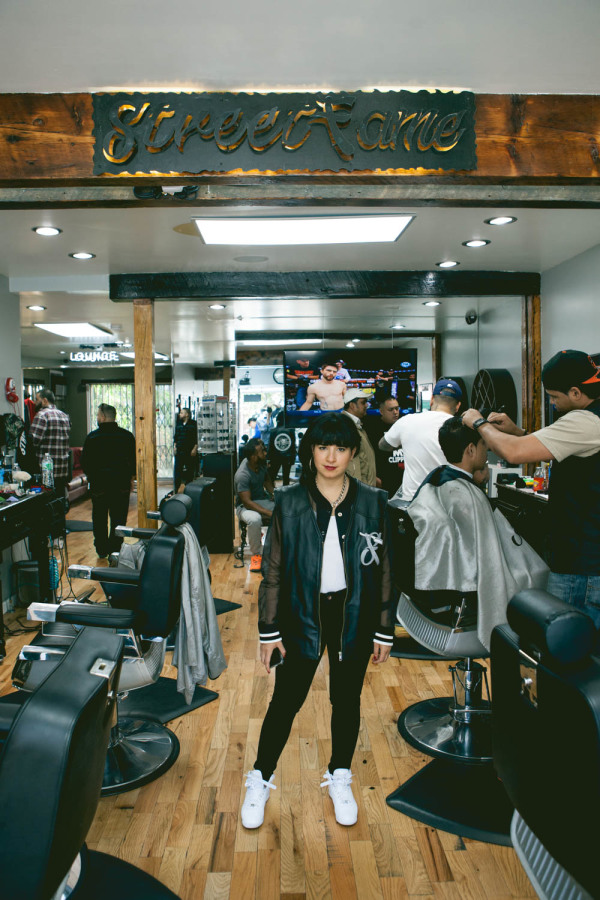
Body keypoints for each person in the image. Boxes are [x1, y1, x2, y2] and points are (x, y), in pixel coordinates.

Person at [240, 412, 393, 829]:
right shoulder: (288, 501)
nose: (331, 456)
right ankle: (259, 777)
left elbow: (384, 570)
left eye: (340, 448)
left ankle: (340, 774)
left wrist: (384, 628)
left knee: (346, 700)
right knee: (286, 701)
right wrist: (268, 632)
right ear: (310, 450)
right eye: (323, 447)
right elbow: (272, 570)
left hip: (354, 613)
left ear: (352, 453)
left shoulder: (373, 502)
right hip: (300, 614)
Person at [462, 349, 600, 627]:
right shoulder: (590, 417)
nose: (552, 402)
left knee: (569, 650)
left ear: (575, 392)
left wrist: (478, 423)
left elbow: (513, 454)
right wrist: (518, 432)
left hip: (582, 565)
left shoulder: (586, 420)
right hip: (585, 558)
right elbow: (557, 446)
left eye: (553, 396)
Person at [404, 415, 547, 649]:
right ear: (471, 449)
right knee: (539, 574)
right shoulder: (466, 496)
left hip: (446, 585)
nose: (487, 451)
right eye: (484, 446)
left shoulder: (441, 477)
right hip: (472, 588)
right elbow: (490, 561)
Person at [378, 377, 463, 502]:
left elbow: (383, 445)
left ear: (432, 399)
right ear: (458, 406)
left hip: (414, 501)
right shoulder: (463, 428)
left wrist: (407, 443)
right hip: (449, 501)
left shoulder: (407, 421)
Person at [81, 403, 136, 559]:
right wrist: (131, 478)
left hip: (99, 485)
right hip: (121, 484)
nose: (97, 417)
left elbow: (85, 463)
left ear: (103, 417)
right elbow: (133, 461)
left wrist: (92, 476)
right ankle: (115, 548)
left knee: (99, 517)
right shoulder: (126, 436)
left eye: (98, 415)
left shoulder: (92, 437)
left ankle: (101, 548)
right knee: (119, 517)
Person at [234, 437, 275, 571]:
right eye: (262, 451)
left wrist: (274, 494)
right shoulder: (243, 475)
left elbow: (267, 479)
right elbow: (247, 502)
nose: (265, 452)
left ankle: (278, 550)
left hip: (260, 500)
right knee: (255, 519)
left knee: (284, 510)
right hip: (244, 507)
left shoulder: (261, 464)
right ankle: (256, 555)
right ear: (253, 457)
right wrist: (268, 512)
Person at [29, 388, 71, 500]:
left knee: (47, 507)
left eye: (37, 399)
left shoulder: (41, 415)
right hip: (62, 469)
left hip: (47, 471)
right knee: (60, 506)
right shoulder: (64, 416)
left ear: (45, 400)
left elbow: (33, 442)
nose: (34, 402)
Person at [364, 393, 403, 495]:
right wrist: (373, 478)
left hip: (404, 481)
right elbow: (365, 457)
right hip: (383, 482)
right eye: (391, 410)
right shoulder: (372, 429)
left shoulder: (405, 425)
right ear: (381, 411)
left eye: (397, 408)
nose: (395, 412)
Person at [342, 388, 378, 487]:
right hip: (360, 493)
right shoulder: (346, 427)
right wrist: (359, 494)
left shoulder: (356, 425)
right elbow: (353, 465)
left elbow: (364, 460)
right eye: (363, 403)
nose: (367, 405)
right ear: (352, 405)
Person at [173, 407, 198, 491]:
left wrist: (195, 448)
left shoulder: (194, 424)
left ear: (187, 414)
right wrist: (175, 447)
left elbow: (197, 437)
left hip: (190, 451)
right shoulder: (179, 423)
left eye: (181, 413)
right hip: (180, 450)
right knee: (177, 471)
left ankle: (188, 489)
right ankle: (176, 490)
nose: (180, 414)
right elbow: (176, 436)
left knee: (190, 471)